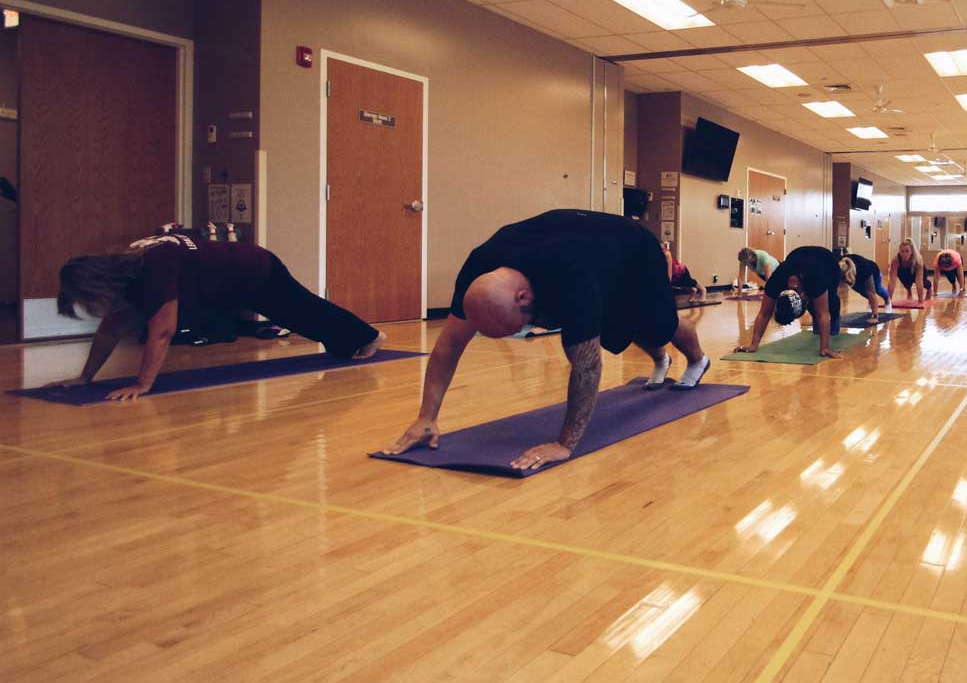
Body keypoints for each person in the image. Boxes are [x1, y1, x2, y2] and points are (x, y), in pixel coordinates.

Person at [383, 210, 711, 472]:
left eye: (515, 327)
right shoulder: (478, 271)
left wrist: (565, 443)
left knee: (656, 322)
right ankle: (660, 361)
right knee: (622, 326)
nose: (517, 335)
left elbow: (586, 367)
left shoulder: (571, 279)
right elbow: (450, 344)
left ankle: (697, 360)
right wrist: (427, 416)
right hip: (586, 248)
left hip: (633, 248)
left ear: (523, 297)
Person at [55, 234, 384, 401]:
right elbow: (110, 329)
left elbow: (163, 330)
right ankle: (346, 341)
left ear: (99, 281)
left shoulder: (155, 264)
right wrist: (86, 377)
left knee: (302, 310)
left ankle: (369, 336)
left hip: (254, 270)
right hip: (226, 280)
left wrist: (143, 384)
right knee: (300, 316)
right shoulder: (131, 267)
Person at [734, 244, 843, 359]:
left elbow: (823, 314)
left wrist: (825, 348)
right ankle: (818, 322)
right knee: (815, 304)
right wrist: (753, 345)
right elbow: (764, 314)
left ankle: (835, 319)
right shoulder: (776, 282)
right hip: (800, 258)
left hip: (828, 262)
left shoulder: (816, 280)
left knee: (829, 301)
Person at [841, 251, 888, 324]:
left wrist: (874, 316)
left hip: (874, 272)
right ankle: (871, 303)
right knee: (863, 292)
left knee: (877, 290)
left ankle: (887, 299)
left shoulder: (864, 269)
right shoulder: (839, 264)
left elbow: (872, 293)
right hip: (855, 275)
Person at [887, 239, 926, 304]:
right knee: (905, 280)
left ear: (911, 252)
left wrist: (920, 301)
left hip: (919, 272)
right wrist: (888, 301)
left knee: (925, 283)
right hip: (906, 271)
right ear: (899, 251)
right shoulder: (895, 260)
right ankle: (909, 290)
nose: (904, 254)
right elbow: (892, 281)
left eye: (907, 251)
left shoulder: (918, 261)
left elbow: (919, 281)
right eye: (902, 251)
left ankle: (929, 289)